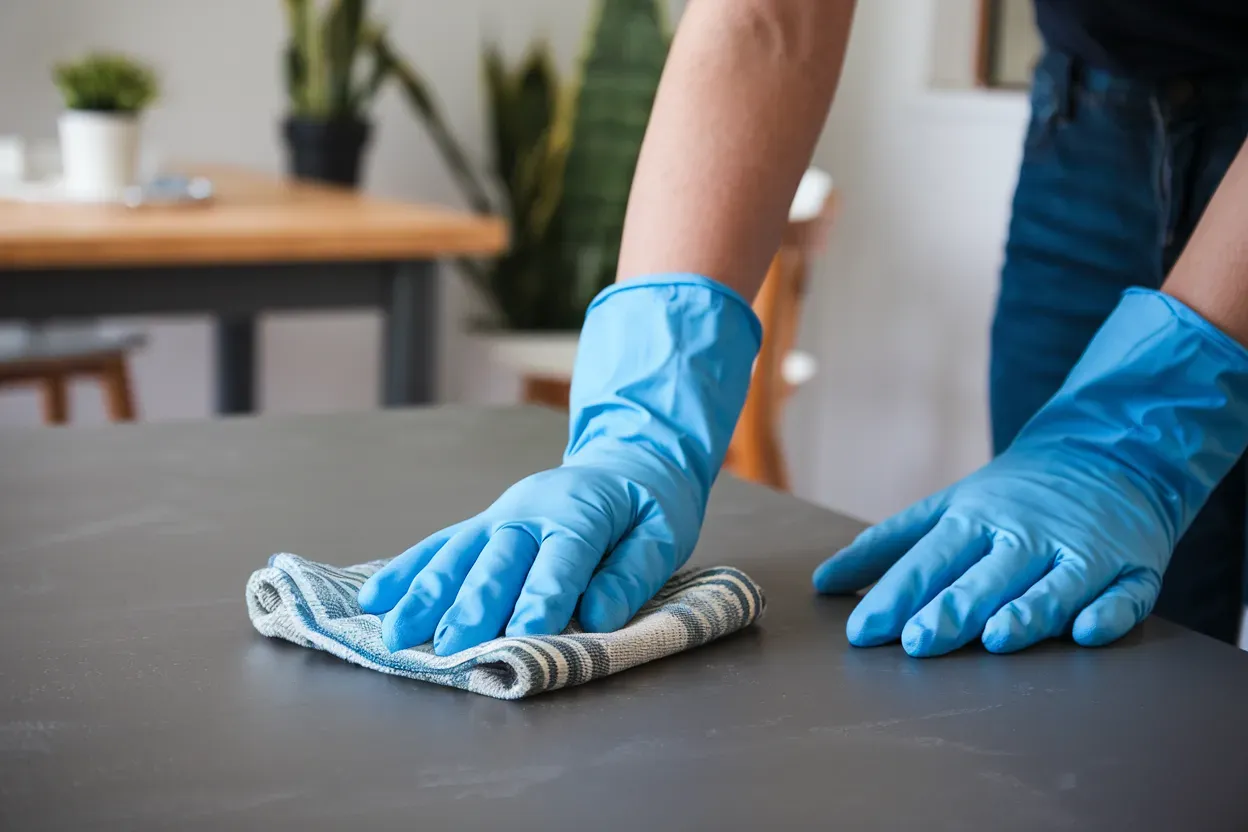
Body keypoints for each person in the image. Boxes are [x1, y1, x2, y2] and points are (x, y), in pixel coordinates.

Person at [358, 0, 1248, 657]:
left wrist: (1133, 438)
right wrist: (641, 420)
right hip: (1096, 109)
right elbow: (769, 18)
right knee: (1076, 650)